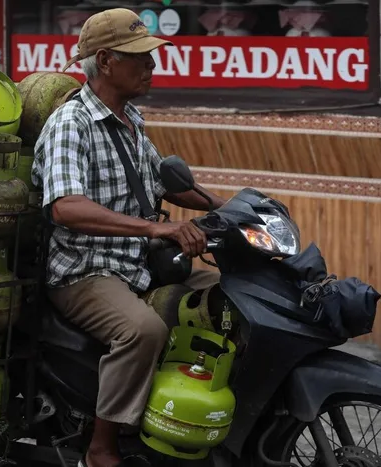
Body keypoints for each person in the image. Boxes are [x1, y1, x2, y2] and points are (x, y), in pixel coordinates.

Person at [31, 8, 228, 467]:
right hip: (83, 270)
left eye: (151, 58)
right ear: (104, 61)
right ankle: (101, 448)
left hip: (136, 263)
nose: (151, 67)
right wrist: (158, 227)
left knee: (226, 296)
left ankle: (183, 417)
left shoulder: (132, 120)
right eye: (139, 58)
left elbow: (167, 181)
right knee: (143, 329)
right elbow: (65, 206)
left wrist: (228, 208)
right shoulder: (70, 123)